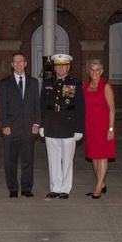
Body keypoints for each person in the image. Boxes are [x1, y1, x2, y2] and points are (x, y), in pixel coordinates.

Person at [40, 53, 85, 198]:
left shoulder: (75, 83)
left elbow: (80, 107)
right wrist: (42, 125)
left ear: (68, 67)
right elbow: (42, 105)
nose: (60, 68)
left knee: (67, 159)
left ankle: (65, 188)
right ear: (54, 67)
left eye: (63, 65)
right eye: (58, 65)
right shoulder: (47, 83)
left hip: (68, 125)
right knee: (53, 159)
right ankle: (55, 187)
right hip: (51, 124)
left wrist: (79, 129)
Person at [0, 52, 41, 198]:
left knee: (28, 159)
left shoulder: (33, 82)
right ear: (12, 65)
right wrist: (4, 125)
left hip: (28, 127)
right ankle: (13, 189)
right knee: (10, 160)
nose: (18, 64)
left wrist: (36, 123)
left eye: (21, 61)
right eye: (15, 62)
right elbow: (2, 106)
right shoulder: (5, 83)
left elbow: (37, 105)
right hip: (11, 127)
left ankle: (27, 188)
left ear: (26, 63)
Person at [83, 59, 115, 198]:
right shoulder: (85, 87)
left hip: (103, 126)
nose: (94, 72)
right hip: (91, 126)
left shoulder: (106, 86)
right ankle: (101, 183)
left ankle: (98, 187)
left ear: (101, 72)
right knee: (94, 157)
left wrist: (111, 129)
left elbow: (112, 109)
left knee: (102, 157)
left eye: (97, 70)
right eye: (92, 69)